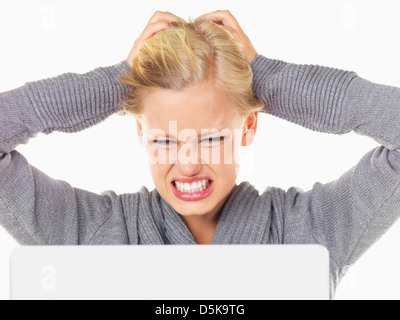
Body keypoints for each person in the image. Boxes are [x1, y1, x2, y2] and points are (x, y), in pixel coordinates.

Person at [1, 10, 399, 299]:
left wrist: (268, 77)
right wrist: (116, 82)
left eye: (210, 139)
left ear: (247, 127)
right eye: (165, 140)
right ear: (141, 132)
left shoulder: (311, 230)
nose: (188, 163)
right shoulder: (88, 235)